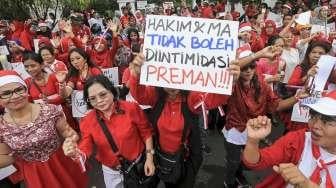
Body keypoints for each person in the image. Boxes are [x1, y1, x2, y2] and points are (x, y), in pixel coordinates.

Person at [128, 54, 241, 188]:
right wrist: (136, 73)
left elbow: (211, 100)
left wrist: (229, 82)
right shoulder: (155, 95)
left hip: (186, 160)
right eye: (168, 78)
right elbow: (140, 96)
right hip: (160, 157)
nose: (172, 84)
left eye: (177, 76)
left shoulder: (191, 98)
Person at [223, 46, 308, 188]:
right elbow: (231, 68)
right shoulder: (230, 83)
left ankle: (239, 175)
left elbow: (276, 106)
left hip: (254, 131)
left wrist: (296, 98)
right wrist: (259, 54)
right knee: (233, 161)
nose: (249, 70)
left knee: (246, 161)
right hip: (235, 131)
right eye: (245, 67)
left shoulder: (262, 83)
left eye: (252, 66)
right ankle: (229, 181)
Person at [62, 75, 155, 188]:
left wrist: (150, 159)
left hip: (137, 166)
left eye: (103, 94)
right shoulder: (87, 121)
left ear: (111, 91)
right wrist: (75, 153)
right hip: (112, 172)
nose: (99, 101)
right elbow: (86, 146)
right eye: (93, 98)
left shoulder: (131, 108)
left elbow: (146, 133)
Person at [0, 70, 87, 188]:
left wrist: (70, 142)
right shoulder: (2, 126)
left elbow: (70, 133)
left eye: (19, 90)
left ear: (26, 90)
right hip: (34, 173)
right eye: (6, 93)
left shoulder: (49, 110)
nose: (15, 96)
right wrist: (20, 156)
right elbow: (3, 155)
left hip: (61, 164)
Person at [242, 90, 336, 188]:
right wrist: (253, 141)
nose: (315, 125)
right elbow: (256, 161)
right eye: (314, 116)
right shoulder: (299, 140)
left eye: (327, 121)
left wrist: (308, 185)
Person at [23, 52, 78, 131]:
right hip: (43, 120)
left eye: (33, 66)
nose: (29, 69)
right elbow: (29, 103)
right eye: (26, 67)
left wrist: (49, 101)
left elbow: (63, 97)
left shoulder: (53, 77)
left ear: (41, 65)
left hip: (62, 115)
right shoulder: (27, 82)